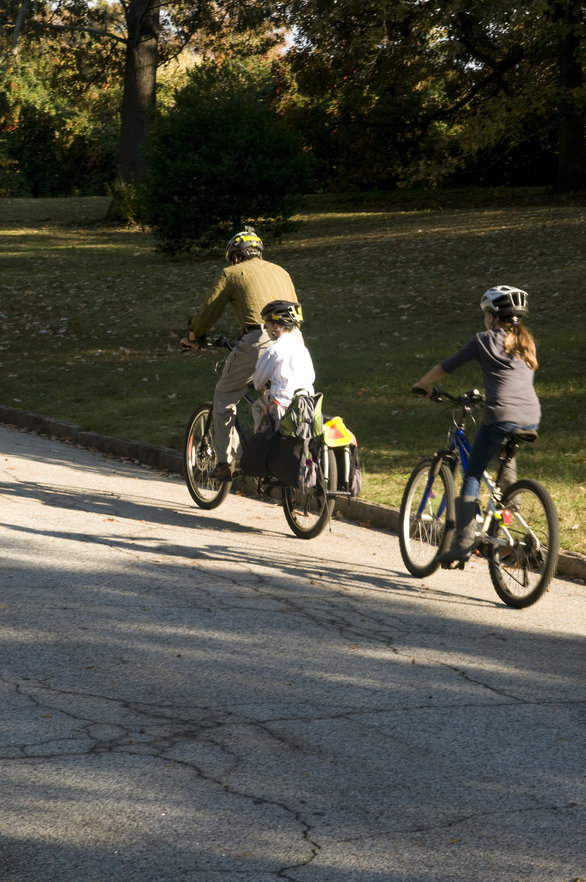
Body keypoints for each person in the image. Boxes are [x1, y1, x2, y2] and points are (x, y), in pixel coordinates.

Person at [412, 285, 540, 564]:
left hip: (501, 416)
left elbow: (447, 366)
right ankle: (508, 519)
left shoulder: (484, 340)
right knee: (506, 460)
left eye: (486, 313)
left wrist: (423, 385)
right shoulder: (526, 341)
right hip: (530, 416)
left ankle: (463, 543)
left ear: (493, 316)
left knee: (471, 475)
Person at [180, 227, 299, 482]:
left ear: (235, 256)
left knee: (224, 395)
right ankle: (267, 453)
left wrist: (193, 337)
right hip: (295, 342)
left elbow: (209, 310)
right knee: (275, 398)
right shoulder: (281, 271)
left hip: (260, 340)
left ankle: (224, 463)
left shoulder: (232, 273)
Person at [251, 300, 315, 431]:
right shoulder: (302, 349)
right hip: (306, 405)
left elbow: (258, 381)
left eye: (267, 326)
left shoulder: (273, 350)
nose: (266, 330)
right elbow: (311, 377)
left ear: (276, 327)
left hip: (282, 405)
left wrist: (259, 383)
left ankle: (259, 443)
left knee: (258, 407)